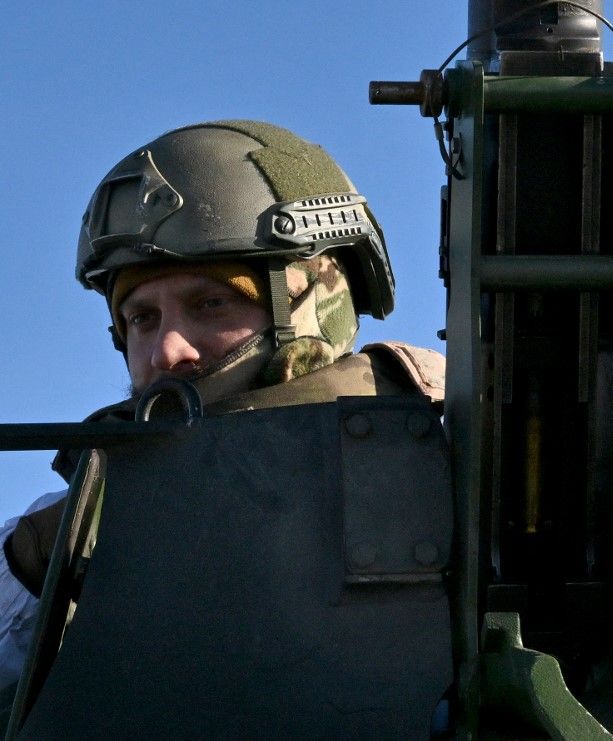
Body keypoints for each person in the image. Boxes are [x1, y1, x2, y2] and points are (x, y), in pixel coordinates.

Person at [0, 120, 444, 692]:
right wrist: (43, 557)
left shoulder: (452, 457)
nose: (166, 351)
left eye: (210, 303)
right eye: (141, 318)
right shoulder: (77, 513)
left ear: (307, 306)